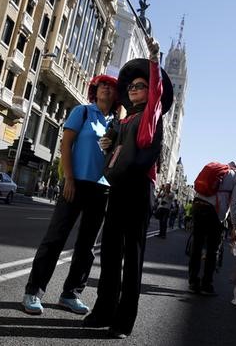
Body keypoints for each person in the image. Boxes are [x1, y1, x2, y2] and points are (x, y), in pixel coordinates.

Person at [84, 36, 173, 339]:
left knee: (132, 257)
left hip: (138, 188)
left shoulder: (151, 115)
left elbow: (158, 90)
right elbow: (112, 153)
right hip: (119, 187)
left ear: (150, 91)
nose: (134, 90)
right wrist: (107, 143)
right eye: (131, 87)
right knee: (109, 251)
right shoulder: (124, 120)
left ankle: (123, 321)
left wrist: (155, 57)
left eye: (141, 86)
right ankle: (103, 310)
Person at [21, 74, 119, 316]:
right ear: (94, 91)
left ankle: (70, 294)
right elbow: (66, 145)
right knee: (55, 238)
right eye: (102, 86)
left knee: (87, 247)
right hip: (75, 184)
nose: (106, 89)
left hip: (102, 188)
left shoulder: (117, 124)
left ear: (117, 95)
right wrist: (69, 178)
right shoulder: (83, 112)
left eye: (111, 87)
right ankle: (34, 291)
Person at [187, 161, 236, 295]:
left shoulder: (221, 169)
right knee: (212, 249)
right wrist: (235, 227)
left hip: (198, 205)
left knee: (197, 245)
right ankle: (206, 285)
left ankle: (193, 282)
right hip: (214, 212)